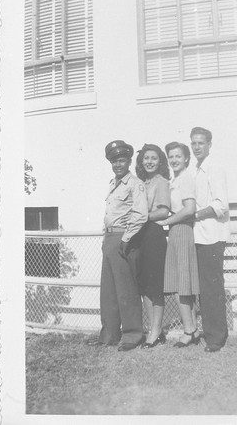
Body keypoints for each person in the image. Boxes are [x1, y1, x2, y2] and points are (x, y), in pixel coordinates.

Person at [87, 140, 148, 351]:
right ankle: (109, 334)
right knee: (109, 291)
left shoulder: (135, 184)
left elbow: (140, 214)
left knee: (126, 290)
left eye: (121, 160)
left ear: (129, 161)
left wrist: (126, 238)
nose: (118, 164)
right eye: (114, 161)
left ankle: (132, 335)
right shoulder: (113, 184)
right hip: (110, 239)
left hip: (125, 239)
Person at [190, 127, 230, 352]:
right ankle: (211, 332)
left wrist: (194, 215)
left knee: (212, 288)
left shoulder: (214, 168)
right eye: (194, 143)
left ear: (209, 145)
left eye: (201, 143)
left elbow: (221, 205)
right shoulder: (195, 170)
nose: (197, 147)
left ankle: (216, 338)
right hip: (200, 236)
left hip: (212, 237)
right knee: (204, 288)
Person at [157, 142, 200, 348]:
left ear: (186, 159)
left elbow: (190, 208)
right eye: (171, 156)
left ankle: (189, 330)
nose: (174, 160)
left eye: (178, 156)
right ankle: (192, 328)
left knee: (180, 284)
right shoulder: (175, 180)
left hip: (182, 230)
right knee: (178, 283)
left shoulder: (186, 179)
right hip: (176, 232)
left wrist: (166, 221)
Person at [135, 144, 171, 348]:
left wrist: (141, 217)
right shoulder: (141, 183)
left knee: (155, 286)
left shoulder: (161, 182)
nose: (149, 161)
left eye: (154, 158)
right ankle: (153, 329)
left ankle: (156, 330)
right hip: (140, 236)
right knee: (145, 286)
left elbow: (164, 212)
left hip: (153, 236)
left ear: (160, 162)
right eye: (146, 158)